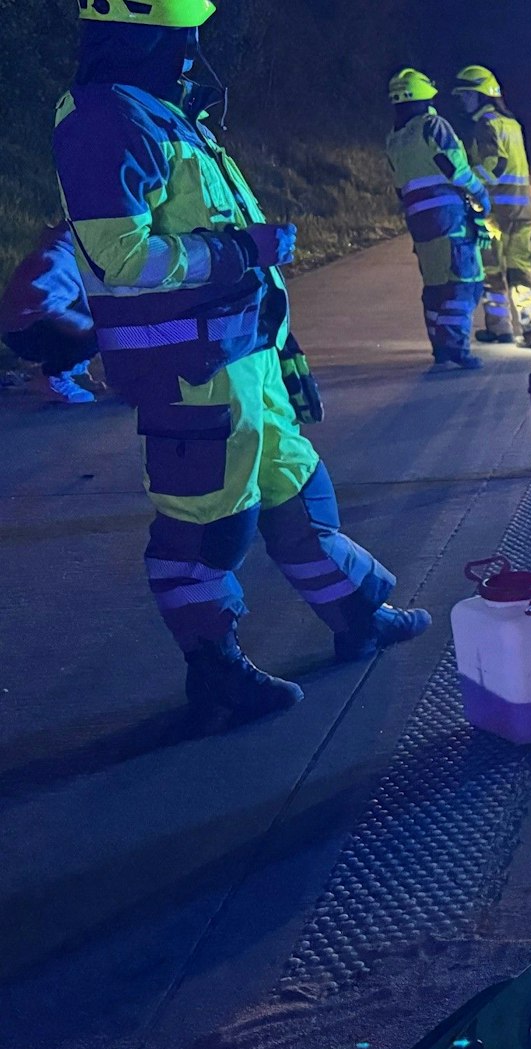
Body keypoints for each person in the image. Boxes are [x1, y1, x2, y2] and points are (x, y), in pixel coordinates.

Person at [54, 0, 429, 726]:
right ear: (144, 38)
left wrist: (281, 344)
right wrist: (241, 250)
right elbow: (119, 256)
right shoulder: (106, 120)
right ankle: (215, 670)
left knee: (300, 495)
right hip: (188, 371)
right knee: (206, 525)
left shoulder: (163, 115)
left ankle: (359, 616)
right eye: (183, 36)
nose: (194, 51)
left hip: (242, 357)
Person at [385, 67, 488, 372]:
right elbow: (455, 167)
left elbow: (399, 185)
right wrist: (480, 194)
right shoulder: (433, 125)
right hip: (449, 219)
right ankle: (455, 347)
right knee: (465, 283)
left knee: (435, 285)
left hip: (419, 222)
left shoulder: (395, 138)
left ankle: (440, 348)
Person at [453, 65, 531, 350]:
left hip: (495, 214)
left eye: (467, 95)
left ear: (482, 95)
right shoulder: (511, 123)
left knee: (491, 270)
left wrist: (469, 183)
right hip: (522, 211)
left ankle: (500, 328)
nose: (463, 101)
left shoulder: (485, 124)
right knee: (520, 271)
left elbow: (495, 163)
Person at [1, 225, 98, 404]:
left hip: (29, 326)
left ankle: (76, 371)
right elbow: (42, 302)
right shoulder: (57, 259)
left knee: (97, 320)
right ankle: (52, 377)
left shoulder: (73, 256)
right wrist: (86, 326)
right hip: (24, 331)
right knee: (100, 330)